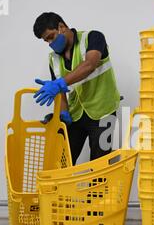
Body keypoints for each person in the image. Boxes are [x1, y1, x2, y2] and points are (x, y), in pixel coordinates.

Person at [33, 12, 120, 165]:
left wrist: (60, 83)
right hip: (76, 115)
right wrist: (62, 115)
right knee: (63, 162)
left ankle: (96, 190)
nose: (50, 43)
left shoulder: (93, 38)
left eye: (51, 37)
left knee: (100, 166)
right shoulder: (53, 58)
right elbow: (61, 94)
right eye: (46, 41)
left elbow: (89, 65)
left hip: (104, 113)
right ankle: (65, 190)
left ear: (62, 27)